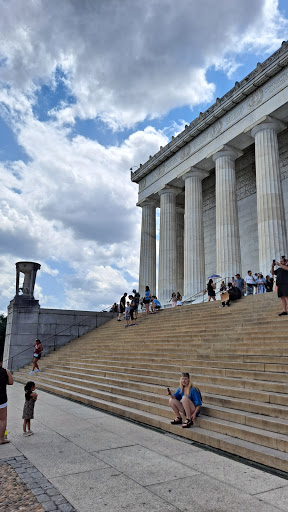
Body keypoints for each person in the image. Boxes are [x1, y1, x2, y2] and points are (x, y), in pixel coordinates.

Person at [0, 360, 13, 444]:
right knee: (2, 419)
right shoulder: (5, 371)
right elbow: (11, 382)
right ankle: (1, 439)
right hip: (2, 399)